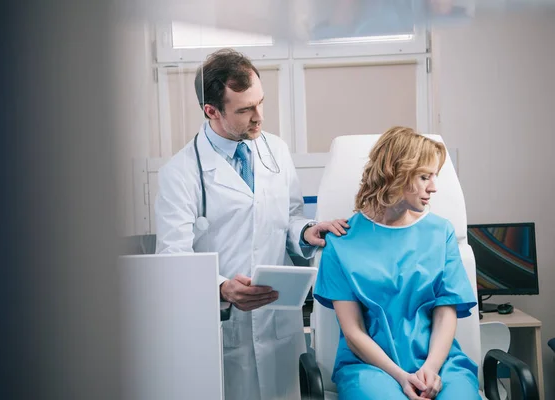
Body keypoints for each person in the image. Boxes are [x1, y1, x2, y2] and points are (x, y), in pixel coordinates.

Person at [155, 48, 349, 400]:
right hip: (222, 329)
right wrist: (222, 288)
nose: (258, 117)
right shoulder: (179, 174)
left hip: (278, 322)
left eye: (260, 103)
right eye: (244, 110)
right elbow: (172, 260)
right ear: (211, 111)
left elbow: (289, 218)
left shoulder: (275, 149)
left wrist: (306, 232)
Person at [314, 126, 480, 400]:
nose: (434, 187)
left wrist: (430, 369)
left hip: (438, 361)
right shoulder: (342, 242)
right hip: (370, 366)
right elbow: (353, 331)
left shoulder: (441, 233)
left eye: (434, 176)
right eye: (424, 176)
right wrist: (401, 376)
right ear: (396, 174)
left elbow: (445, 313)